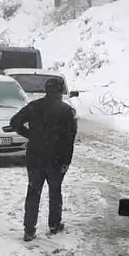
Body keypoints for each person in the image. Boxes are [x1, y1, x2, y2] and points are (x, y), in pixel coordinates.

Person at [9, 77, 78, 241]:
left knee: (33, 191)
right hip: (56, 158)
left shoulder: (34, 106)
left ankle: (29, 229)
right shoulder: (67, 111)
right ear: (61, 91)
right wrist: (66, 162)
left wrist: (30, 135)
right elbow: (70, 140)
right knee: (55, 191)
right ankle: (54, 224)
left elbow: (14, 122)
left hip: (35, 156)